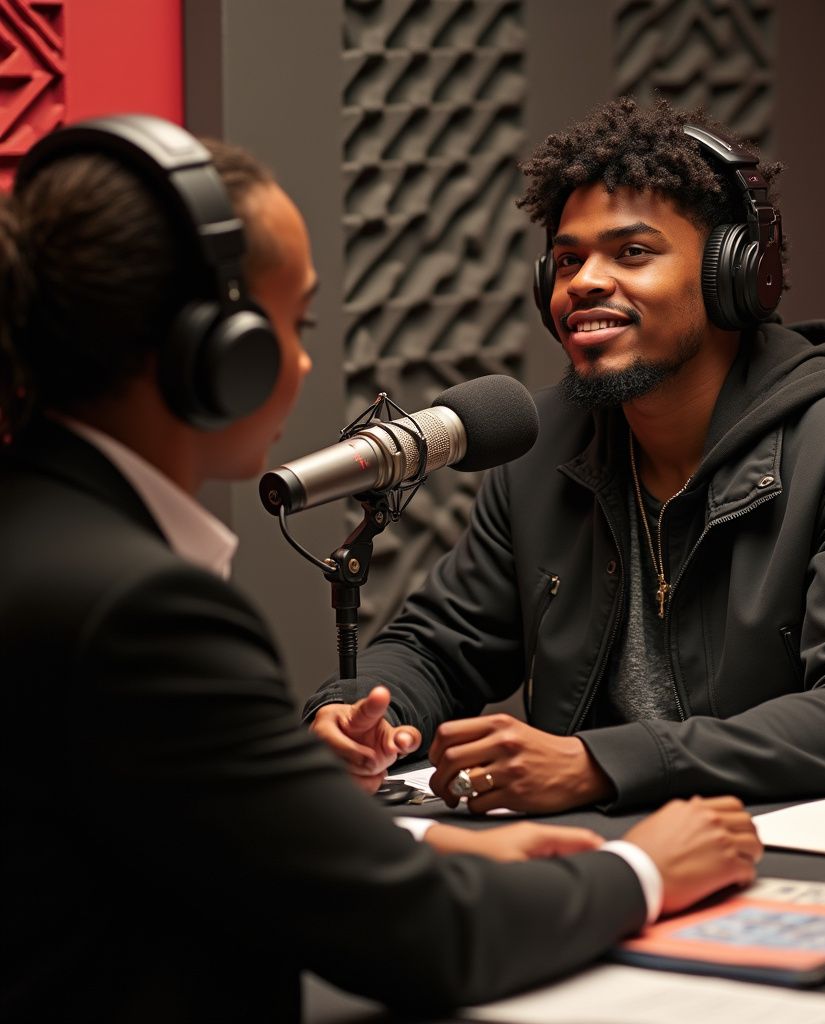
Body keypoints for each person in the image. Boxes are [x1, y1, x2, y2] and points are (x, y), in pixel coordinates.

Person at [0, 115, 761, 1023]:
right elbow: (433, 938)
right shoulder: (138, 610)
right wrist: (642, 868)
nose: (307, 355)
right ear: (221, 353)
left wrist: (421, 857)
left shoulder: (43, 542)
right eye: (296, 321)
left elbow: (183, 845)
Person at [306, 97, 825, 815]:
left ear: (734, 273)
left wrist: (602, 764)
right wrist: (362, 717)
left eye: (631, 253)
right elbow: (438, 643)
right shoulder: (543, 443)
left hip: (774, 846)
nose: (585, 282)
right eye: (569, 260)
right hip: (600, 853)